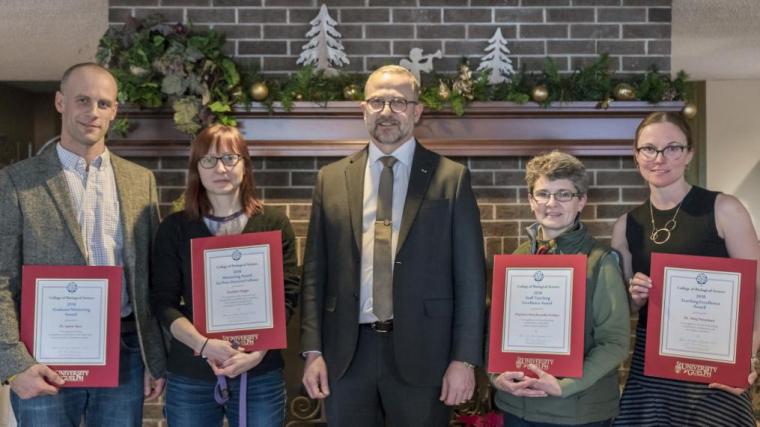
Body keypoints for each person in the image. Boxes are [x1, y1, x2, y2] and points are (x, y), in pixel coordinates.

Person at [299, 65, 486, 426]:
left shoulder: (451, 179)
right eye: (377, 101)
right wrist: (312, 350)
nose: (386, 111)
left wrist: (464, 360)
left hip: (425, 352)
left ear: (417, 111)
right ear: (363, 110)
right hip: (346, 355)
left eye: (398, 102)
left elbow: (470, 279)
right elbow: (313, 275)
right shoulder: (331, 179)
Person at [0, 63, 166, 426]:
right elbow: (1, 280)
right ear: (61, 102)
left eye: (104, 104)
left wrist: (155, 358)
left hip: (125, 352)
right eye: (83, 100)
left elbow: (149, 280)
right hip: (43, 357)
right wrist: (14, 365)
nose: (93, 112)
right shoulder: (15, 181)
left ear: (115, 111)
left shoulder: (141, 181)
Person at [613, 112, 760, 426]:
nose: (659, 158)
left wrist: (746, 358)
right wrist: (633, 297)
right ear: (636, 155)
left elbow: (756, 293)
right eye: (649, 149)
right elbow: (621, 308)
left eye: (673, 148)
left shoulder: (724, 209)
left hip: (715, 369)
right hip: (651, 374)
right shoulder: (626, 226)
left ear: (689, 153)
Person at [150, 124, 299, 427]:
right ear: (197, 169)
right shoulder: (174, 228)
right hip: (192, 374)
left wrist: (257, 353)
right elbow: (163, 303)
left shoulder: (274, 223)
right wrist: (205, 345)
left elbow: (288, 295)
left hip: (260, 372)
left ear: (245, 165)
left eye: (230, 158)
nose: (220, 168)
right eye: (209, 160)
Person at [491, 151, 630, 426]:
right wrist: (495, 376)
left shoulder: (600, 262)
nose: (551, 203)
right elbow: (495, 330)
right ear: (531, 201)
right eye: (543, 194)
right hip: (516, 408)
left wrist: (565, 385)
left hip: (576, 411)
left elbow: (614, 343)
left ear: (581, 201)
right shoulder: (515, 259)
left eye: (564, 194)